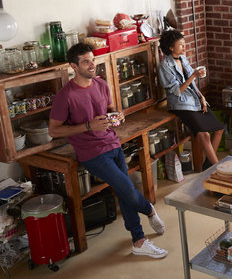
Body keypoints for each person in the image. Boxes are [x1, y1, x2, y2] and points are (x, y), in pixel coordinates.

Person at [49, 43, 167, 259]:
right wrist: (87, 127)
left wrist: (117, 115)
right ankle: (149, 209)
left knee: (124, 192)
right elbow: (53, 130)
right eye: (85, 61)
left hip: (113, 144)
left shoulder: (101, 84)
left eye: (92, 60)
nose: (92, 65)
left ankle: (138, 241)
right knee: (128, 189)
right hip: (91, 153)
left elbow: (110, 110)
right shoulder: (65, 96)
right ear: (73, 66)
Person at [158, 29, 225, 169]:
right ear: (171, 48)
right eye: (181, 45)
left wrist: (201, 97)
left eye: (184, 44)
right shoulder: (164, 66)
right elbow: (177, 91)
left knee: (219, 129)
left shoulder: (183, 59)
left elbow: (192, 84)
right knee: (204, 135)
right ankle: (218, 169)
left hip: (194, 100)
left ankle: (209, 165)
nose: (184, 47)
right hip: (180, 105)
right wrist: (193, 76)